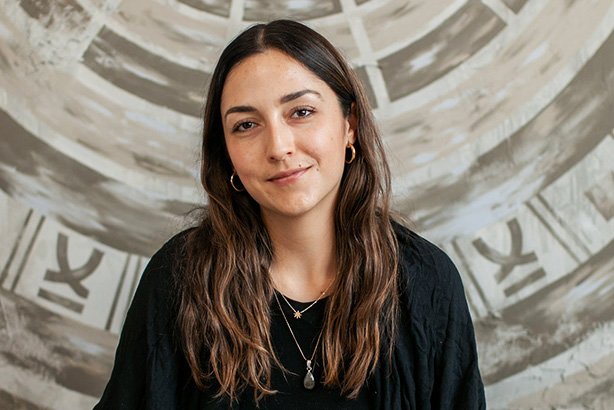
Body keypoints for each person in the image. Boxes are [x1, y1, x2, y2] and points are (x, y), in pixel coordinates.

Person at [94, 19, 485, 409]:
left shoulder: (426, 281)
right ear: (226, 151)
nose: (278, 147)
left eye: (301, 112)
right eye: (246, 125)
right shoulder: (179, 279)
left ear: (350, 125)